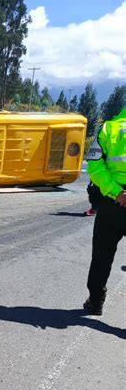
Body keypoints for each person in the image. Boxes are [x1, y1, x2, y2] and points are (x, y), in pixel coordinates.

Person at [84, 108, 126, 315]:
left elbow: (95, 167)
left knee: (101, 256)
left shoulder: (108, 129)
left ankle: (96, 301)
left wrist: (117, 193)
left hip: (112, 205)